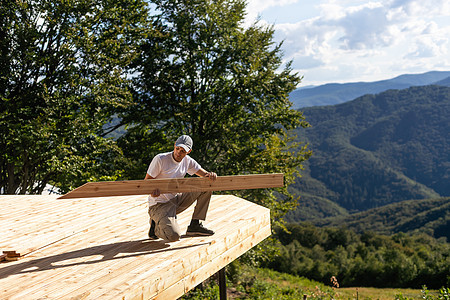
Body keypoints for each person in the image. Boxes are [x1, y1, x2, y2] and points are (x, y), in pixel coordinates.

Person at [144, 135, 217, 241]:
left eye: (183, 151)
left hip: (176, 200)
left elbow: (205, 176)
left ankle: (194, 225)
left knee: (206, 187)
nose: (179, 152)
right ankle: (155, 227)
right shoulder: (161, 159)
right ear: (174, 145)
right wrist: (152, 192)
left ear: (189, 151)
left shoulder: (187, 161)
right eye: (177, 148)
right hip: (159, 205)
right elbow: (147, 181)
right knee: (174, 236)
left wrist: (211, 175)